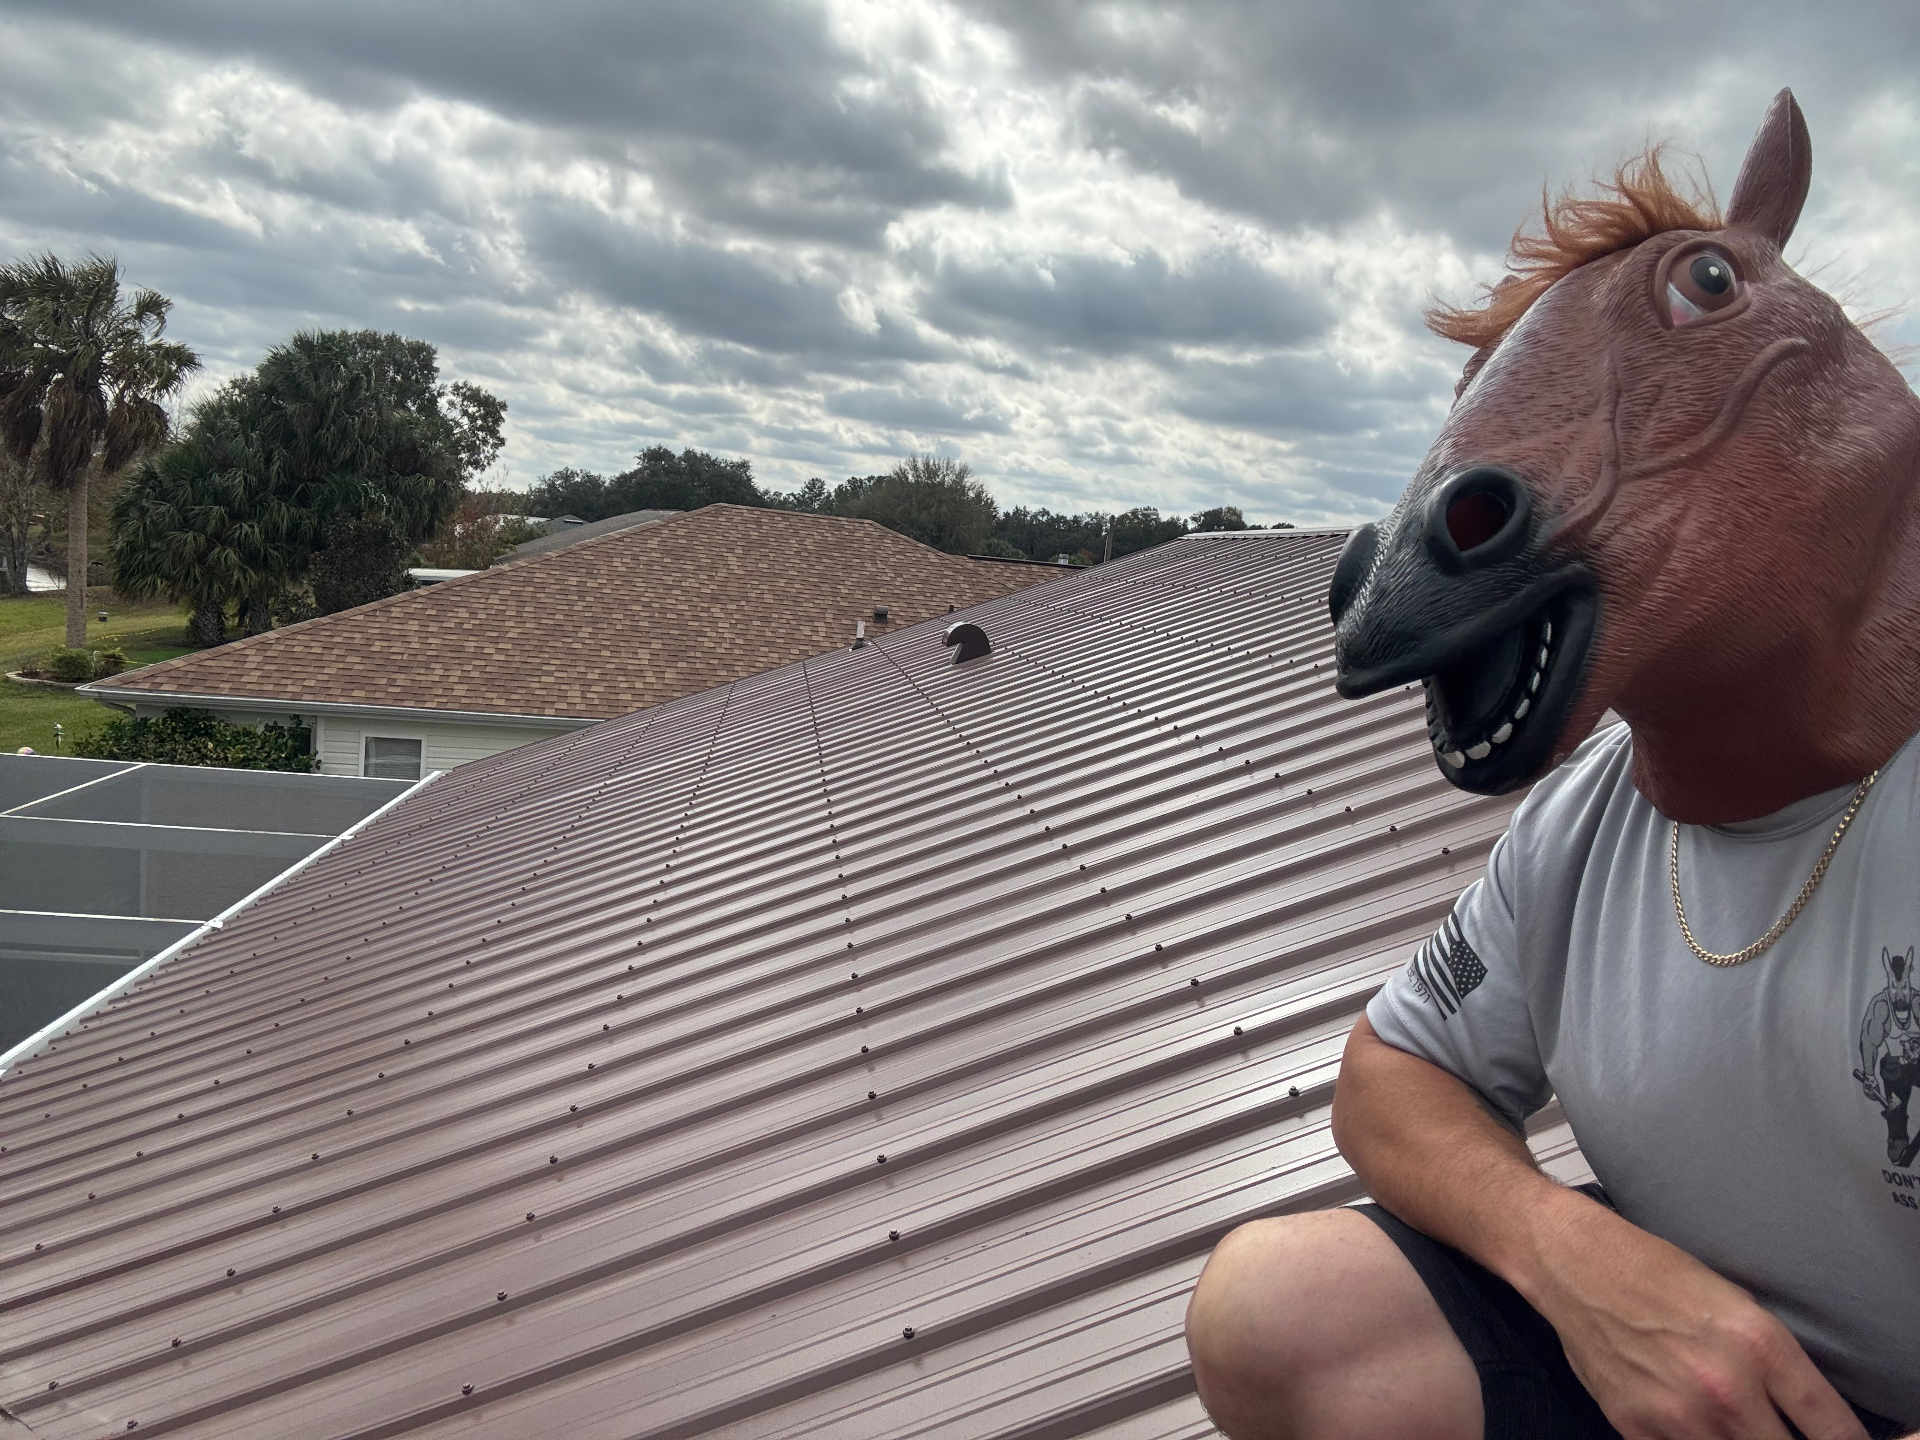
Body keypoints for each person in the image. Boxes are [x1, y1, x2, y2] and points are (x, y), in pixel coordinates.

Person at [1184, 91, 1919, 1440]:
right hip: (1688, 1394)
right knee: (1277, 1309)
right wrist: (1578, 1263)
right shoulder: (1590, 822)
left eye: (1702, 287)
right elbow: (1392, 1074)